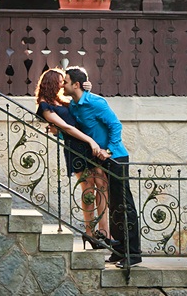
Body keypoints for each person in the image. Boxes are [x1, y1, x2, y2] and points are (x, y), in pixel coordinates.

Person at [63, 66, 142, 269]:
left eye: (66, 81)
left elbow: (115, 125)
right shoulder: (74, 106)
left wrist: (109, 150)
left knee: (124, 205)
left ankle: (133, 254)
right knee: (112, 204)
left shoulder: (96, 102)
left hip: (115, 157)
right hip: (99, 160)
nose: (63, 84)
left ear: (76, 84)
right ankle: (119, 250)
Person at [34, 68, 113, 249]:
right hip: (77, 149)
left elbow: (80, 103)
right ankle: (90, 233)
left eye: (65, 81)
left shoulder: (61, 101)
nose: (63, 84)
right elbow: (67, 128)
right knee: (87, 188)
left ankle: (104, 231)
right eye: (61, 81)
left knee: (102, 184)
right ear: (53, 82)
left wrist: (87, 88)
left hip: (86, 145)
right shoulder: (45, 106)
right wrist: (90, 141)